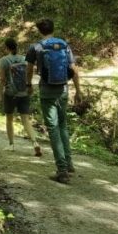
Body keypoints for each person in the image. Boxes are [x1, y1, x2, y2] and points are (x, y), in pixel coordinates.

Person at [25, 18, 81, 183]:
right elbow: (73, 69)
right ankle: (69, 163)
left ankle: (62, 171)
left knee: (54, 129)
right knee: (62, 126)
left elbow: (29, 68)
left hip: (47, 91)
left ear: (39, 31)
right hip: (63, 90)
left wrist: (28, 85)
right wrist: (78, 90)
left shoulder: (36, 47)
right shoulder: (64, 45)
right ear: (53, 29)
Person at [0, 38, 42, 156]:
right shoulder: (24, 59)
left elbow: (2, 79)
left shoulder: (4, 60)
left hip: (10, 93)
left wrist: (0, 93)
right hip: (24, 93)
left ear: (6, 47)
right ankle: (35, 143)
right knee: (25, 120)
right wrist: (29, 86)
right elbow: (28, 73)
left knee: (9, 119)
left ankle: (11, 145)